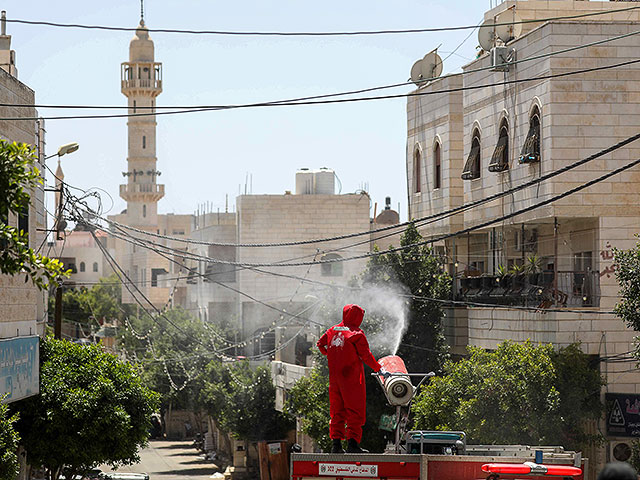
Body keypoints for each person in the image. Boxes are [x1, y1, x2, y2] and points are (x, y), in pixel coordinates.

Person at [317, 304, 389, 454]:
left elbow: (320, 344)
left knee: (337, 411)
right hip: (352, 379)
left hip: (335, 379)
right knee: (354, 411)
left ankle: (336, 445)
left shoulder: (332, 330)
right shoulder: (357, 333)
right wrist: (379, 369)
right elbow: (366, 355)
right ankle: (353, 444)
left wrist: (330, 354)